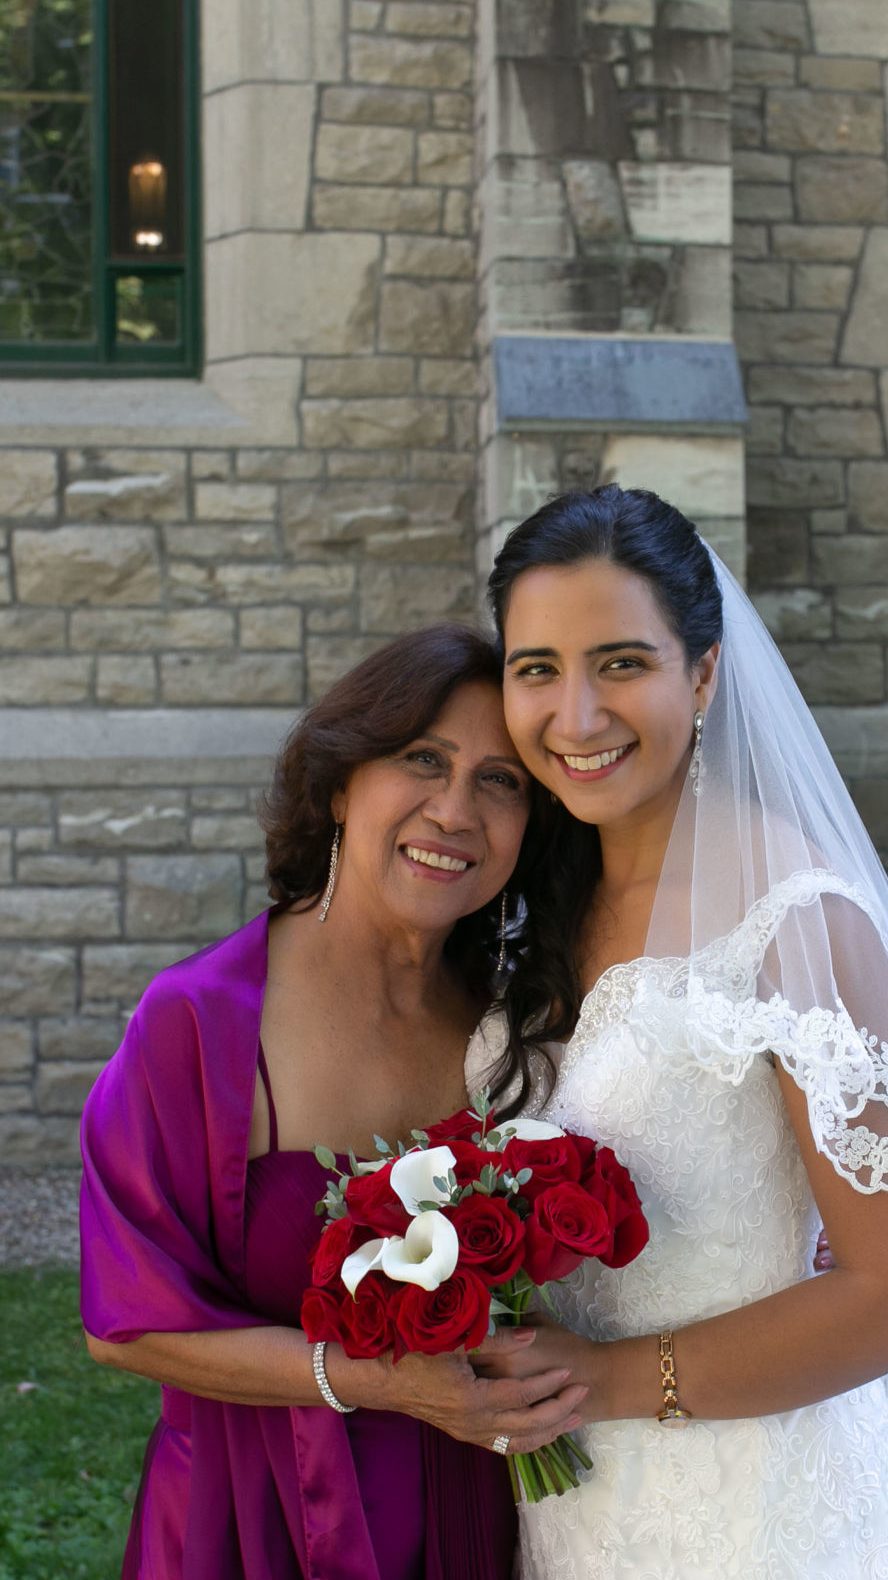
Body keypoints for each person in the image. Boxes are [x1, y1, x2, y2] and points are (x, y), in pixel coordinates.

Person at [470, 485, 888, 1579]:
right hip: (574, 1515)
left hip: (763, 1517)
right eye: (538, 669)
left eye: (620, 662)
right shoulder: (529, 908)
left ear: (702, 672)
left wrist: (603, 1383)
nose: (574, 716)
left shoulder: (791, 915)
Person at [79, 623, 587, 1580]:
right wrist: (375, 1382)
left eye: (500, 781)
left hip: (468, 1508)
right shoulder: (199, 1020)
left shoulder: (514, 1030)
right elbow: (126, 1323)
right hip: (248, 1513)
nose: (455, 811)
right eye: (422, 761)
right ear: (343, 783)